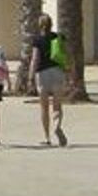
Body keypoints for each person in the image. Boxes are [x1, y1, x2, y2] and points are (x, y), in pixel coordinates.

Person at [29, 13, 68, 147]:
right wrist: (69, 70)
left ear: (40, 25)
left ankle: (47, 137)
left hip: (42, 74)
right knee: (57, 105)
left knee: (44, 107)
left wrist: (30, 76)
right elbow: (66, 54)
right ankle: (57, 125)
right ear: (51, 24)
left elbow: (35, 59)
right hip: (57, 71)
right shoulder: (59, 37)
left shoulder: (37, 40)